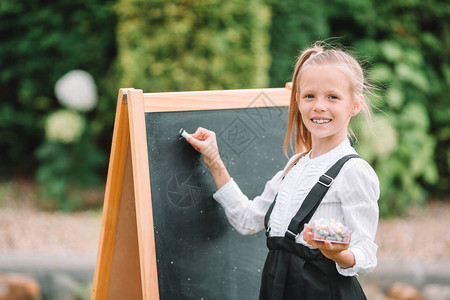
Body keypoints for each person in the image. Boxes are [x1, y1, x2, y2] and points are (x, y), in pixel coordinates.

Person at [186, 43, 379, 300]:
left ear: (355, 105)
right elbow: (246, 219)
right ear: (298, 100)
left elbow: (365, 253)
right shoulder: (294, 166)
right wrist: (213, 160)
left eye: (332, 97)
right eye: (310, 96)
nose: (319, 106)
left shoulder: (354, 171)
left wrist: (336, 253)